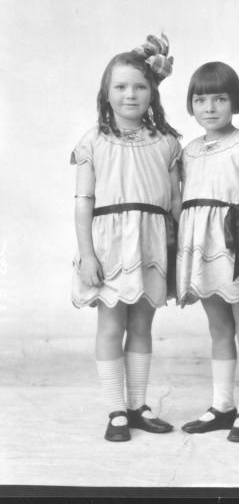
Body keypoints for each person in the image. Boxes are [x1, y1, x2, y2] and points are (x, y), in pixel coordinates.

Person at [71, 34, 181, 442]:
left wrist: (178, 248)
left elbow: (175, 202)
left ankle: (137, 406)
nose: (130, 94)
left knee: (143, 324)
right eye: (120, 86)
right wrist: (86, 254)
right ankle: (115, 409)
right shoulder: (93, 141)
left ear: (152, 91)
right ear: (106, 92)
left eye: (139, 86)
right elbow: (83, 202)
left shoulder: (167, 142)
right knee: (111, 323)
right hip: (109, 244)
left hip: (152, 241)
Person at [177, 61, 239, 442]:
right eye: (200, 99)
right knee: (219, 329)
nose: (209, 107)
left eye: (219, 98)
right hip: (204, 250)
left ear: (235, 101)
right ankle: (222, 406)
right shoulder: (188, 152)